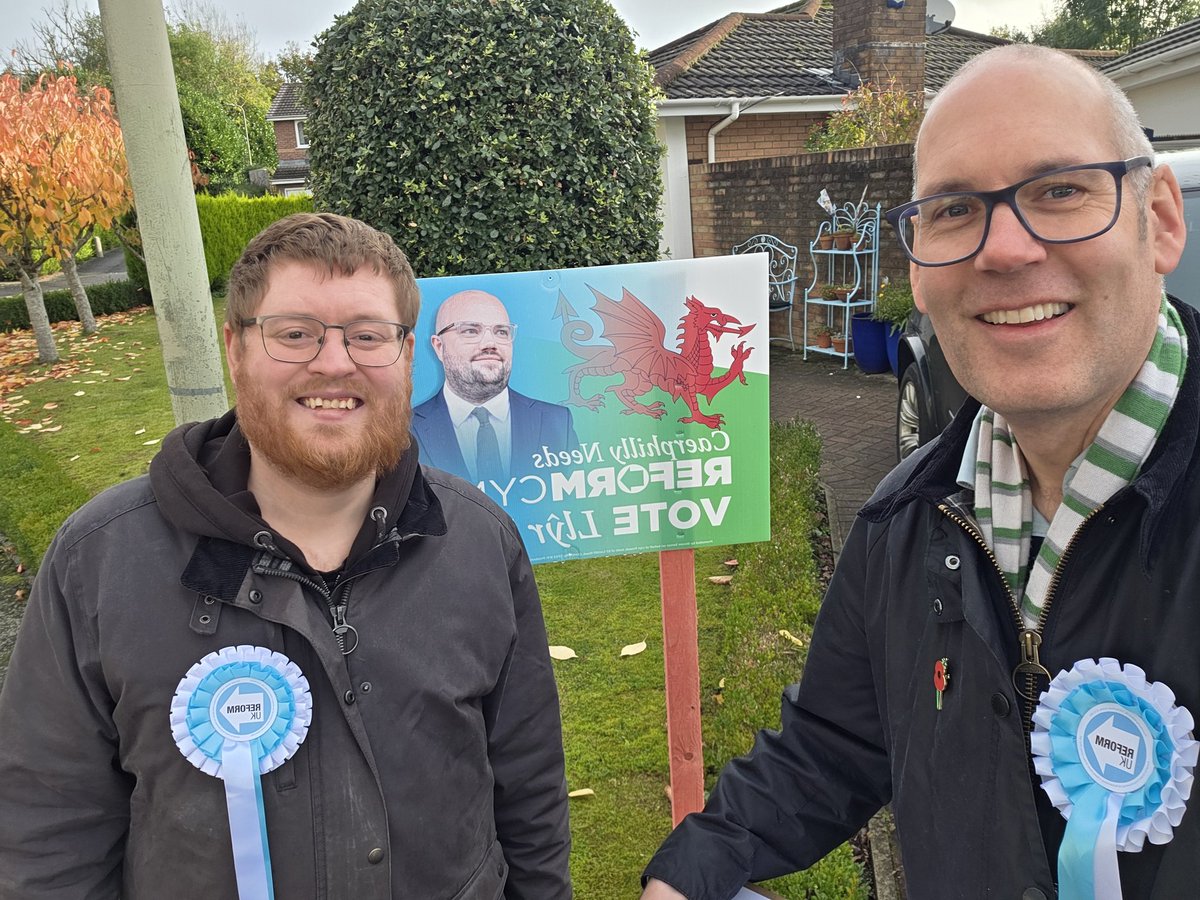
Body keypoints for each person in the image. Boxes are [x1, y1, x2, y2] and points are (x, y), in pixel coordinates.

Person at [641, 44, 1194, 899]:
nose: (1004, 250)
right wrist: (695, 868)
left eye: (1059, 191)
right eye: (954, 210)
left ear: (1158, 219)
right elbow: (834, 744)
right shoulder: (909, 518)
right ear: (917, 267)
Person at [0, 213, 572, 898]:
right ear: (236, 347)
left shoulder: (479, 541)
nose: (335, 362)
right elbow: (49, 831)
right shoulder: (101, 563)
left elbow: (529, 787)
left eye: (367, 335)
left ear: (406, 353)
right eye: (295, 333)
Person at [413, 289, 578, 484]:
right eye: (470, 331)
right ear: (439, 347)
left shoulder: (557, 421)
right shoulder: (405, 431)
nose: (490, 343)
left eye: (501, 331)